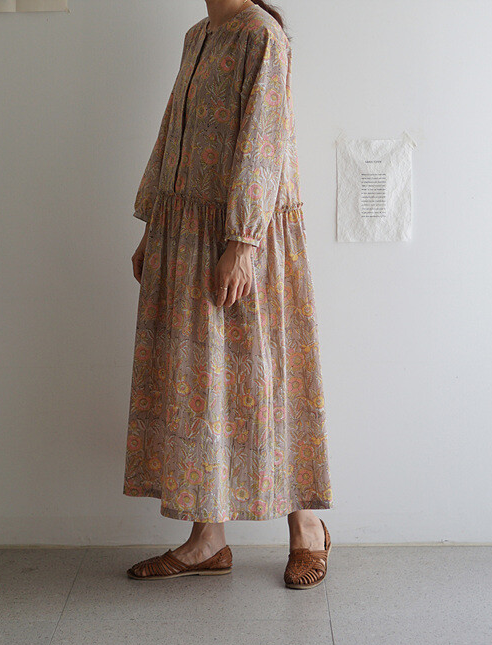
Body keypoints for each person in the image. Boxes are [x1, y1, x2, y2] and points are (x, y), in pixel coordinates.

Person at [123, 0, 334, 589]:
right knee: (201, 382)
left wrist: (241, 241)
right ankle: (208, 539)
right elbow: (172, 132)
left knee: (273, 375)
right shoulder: (197, 35)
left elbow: (265, 141)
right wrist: (152, 227)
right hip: (186, 231)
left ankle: (307, 528)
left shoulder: (262, 36)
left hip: (248, 234)